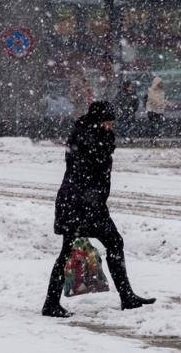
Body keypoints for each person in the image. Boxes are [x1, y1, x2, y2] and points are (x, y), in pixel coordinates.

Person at [42, 101, 155, 318]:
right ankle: (50, 304)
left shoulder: (94, 137)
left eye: (111, 123)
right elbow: (86, 172)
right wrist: (91, 202)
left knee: (114, 243)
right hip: (78, 206)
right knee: (68, 252)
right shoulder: (85, 139)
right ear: (97, 121)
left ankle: (127, 297)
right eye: (107, 122)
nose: (110, 126)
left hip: (91, 205)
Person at [145, 76, 177, 145]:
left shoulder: (160, 91)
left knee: (157, 125)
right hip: (152, 110)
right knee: (153, 125)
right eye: (160, 83)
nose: (161, 85)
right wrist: (159, 104)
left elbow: (162, 100)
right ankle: (153, 139)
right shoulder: (151, 90)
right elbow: (153, 99)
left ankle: (155, 139)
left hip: (159, 111)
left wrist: (170, 104)